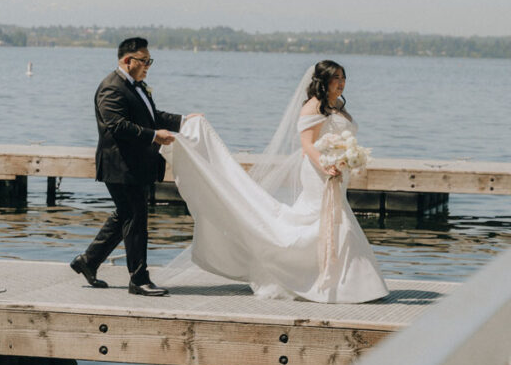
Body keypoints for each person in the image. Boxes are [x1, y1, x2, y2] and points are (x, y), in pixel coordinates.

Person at [162, 60, 388, 304]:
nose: (341, 83)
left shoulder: (338, 106)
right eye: (336, 78)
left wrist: (347, 158)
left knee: (330, 219)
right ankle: (335, 283)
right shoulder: (313, 107)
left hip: (336, 172)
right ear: (322, 81)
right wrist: (326, 165)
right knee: (327, 219)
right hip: (319, 172)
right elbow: (307, 145)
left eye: (344, 78)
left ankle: (334, 279)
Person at [70, 37, 196, 296]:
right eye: (144, 60)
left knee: (125, 215)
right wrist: (153, 136)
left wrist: (184, 121)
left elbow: (152, 115)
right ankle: (139, 279)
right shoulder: (111, 88)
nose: (148, 65)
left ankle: (89, 261)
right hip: (120, 166)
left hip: (134, 166)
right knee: (136, 219)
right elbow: (117, 125)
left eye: (150, 60)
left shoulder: (138, 86)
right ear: (128, 61)